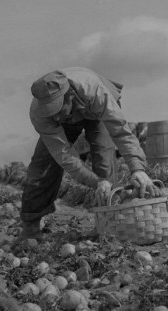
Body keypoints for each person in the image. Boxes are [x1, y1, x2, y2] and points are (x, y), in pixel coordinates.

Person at [19, 67, 158, 240]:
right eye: (48, 112)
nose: (54, 117)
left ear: (69, 95)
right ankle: (31, 227)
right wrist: (96, 182)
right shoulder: (40, 115)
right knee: (43, 165)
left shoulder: (95, 91)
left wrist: (138, 169)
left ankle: (108, 224)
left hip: (95, 111)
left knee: (104, 160)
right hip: (68, 119)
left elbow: (121, 131)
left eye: (56, 110)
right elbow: (64, 156)